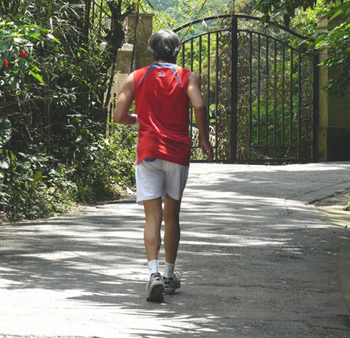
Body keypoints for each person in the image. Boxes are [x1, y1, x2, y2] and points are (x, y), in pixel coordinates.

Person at [113, 29, 213, 302]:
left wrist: (139, 120)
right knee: (172, 216)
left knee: (152, 217)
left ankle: (153, 274)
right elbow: (199, 105)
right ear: (176, 51)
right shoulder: (187, 76)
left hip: (148, 153)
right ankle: (170, 275)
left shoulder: (137, 76)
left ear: (152, 52)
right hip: (177, 153)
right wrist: (203, 138)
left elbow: (118, 115)